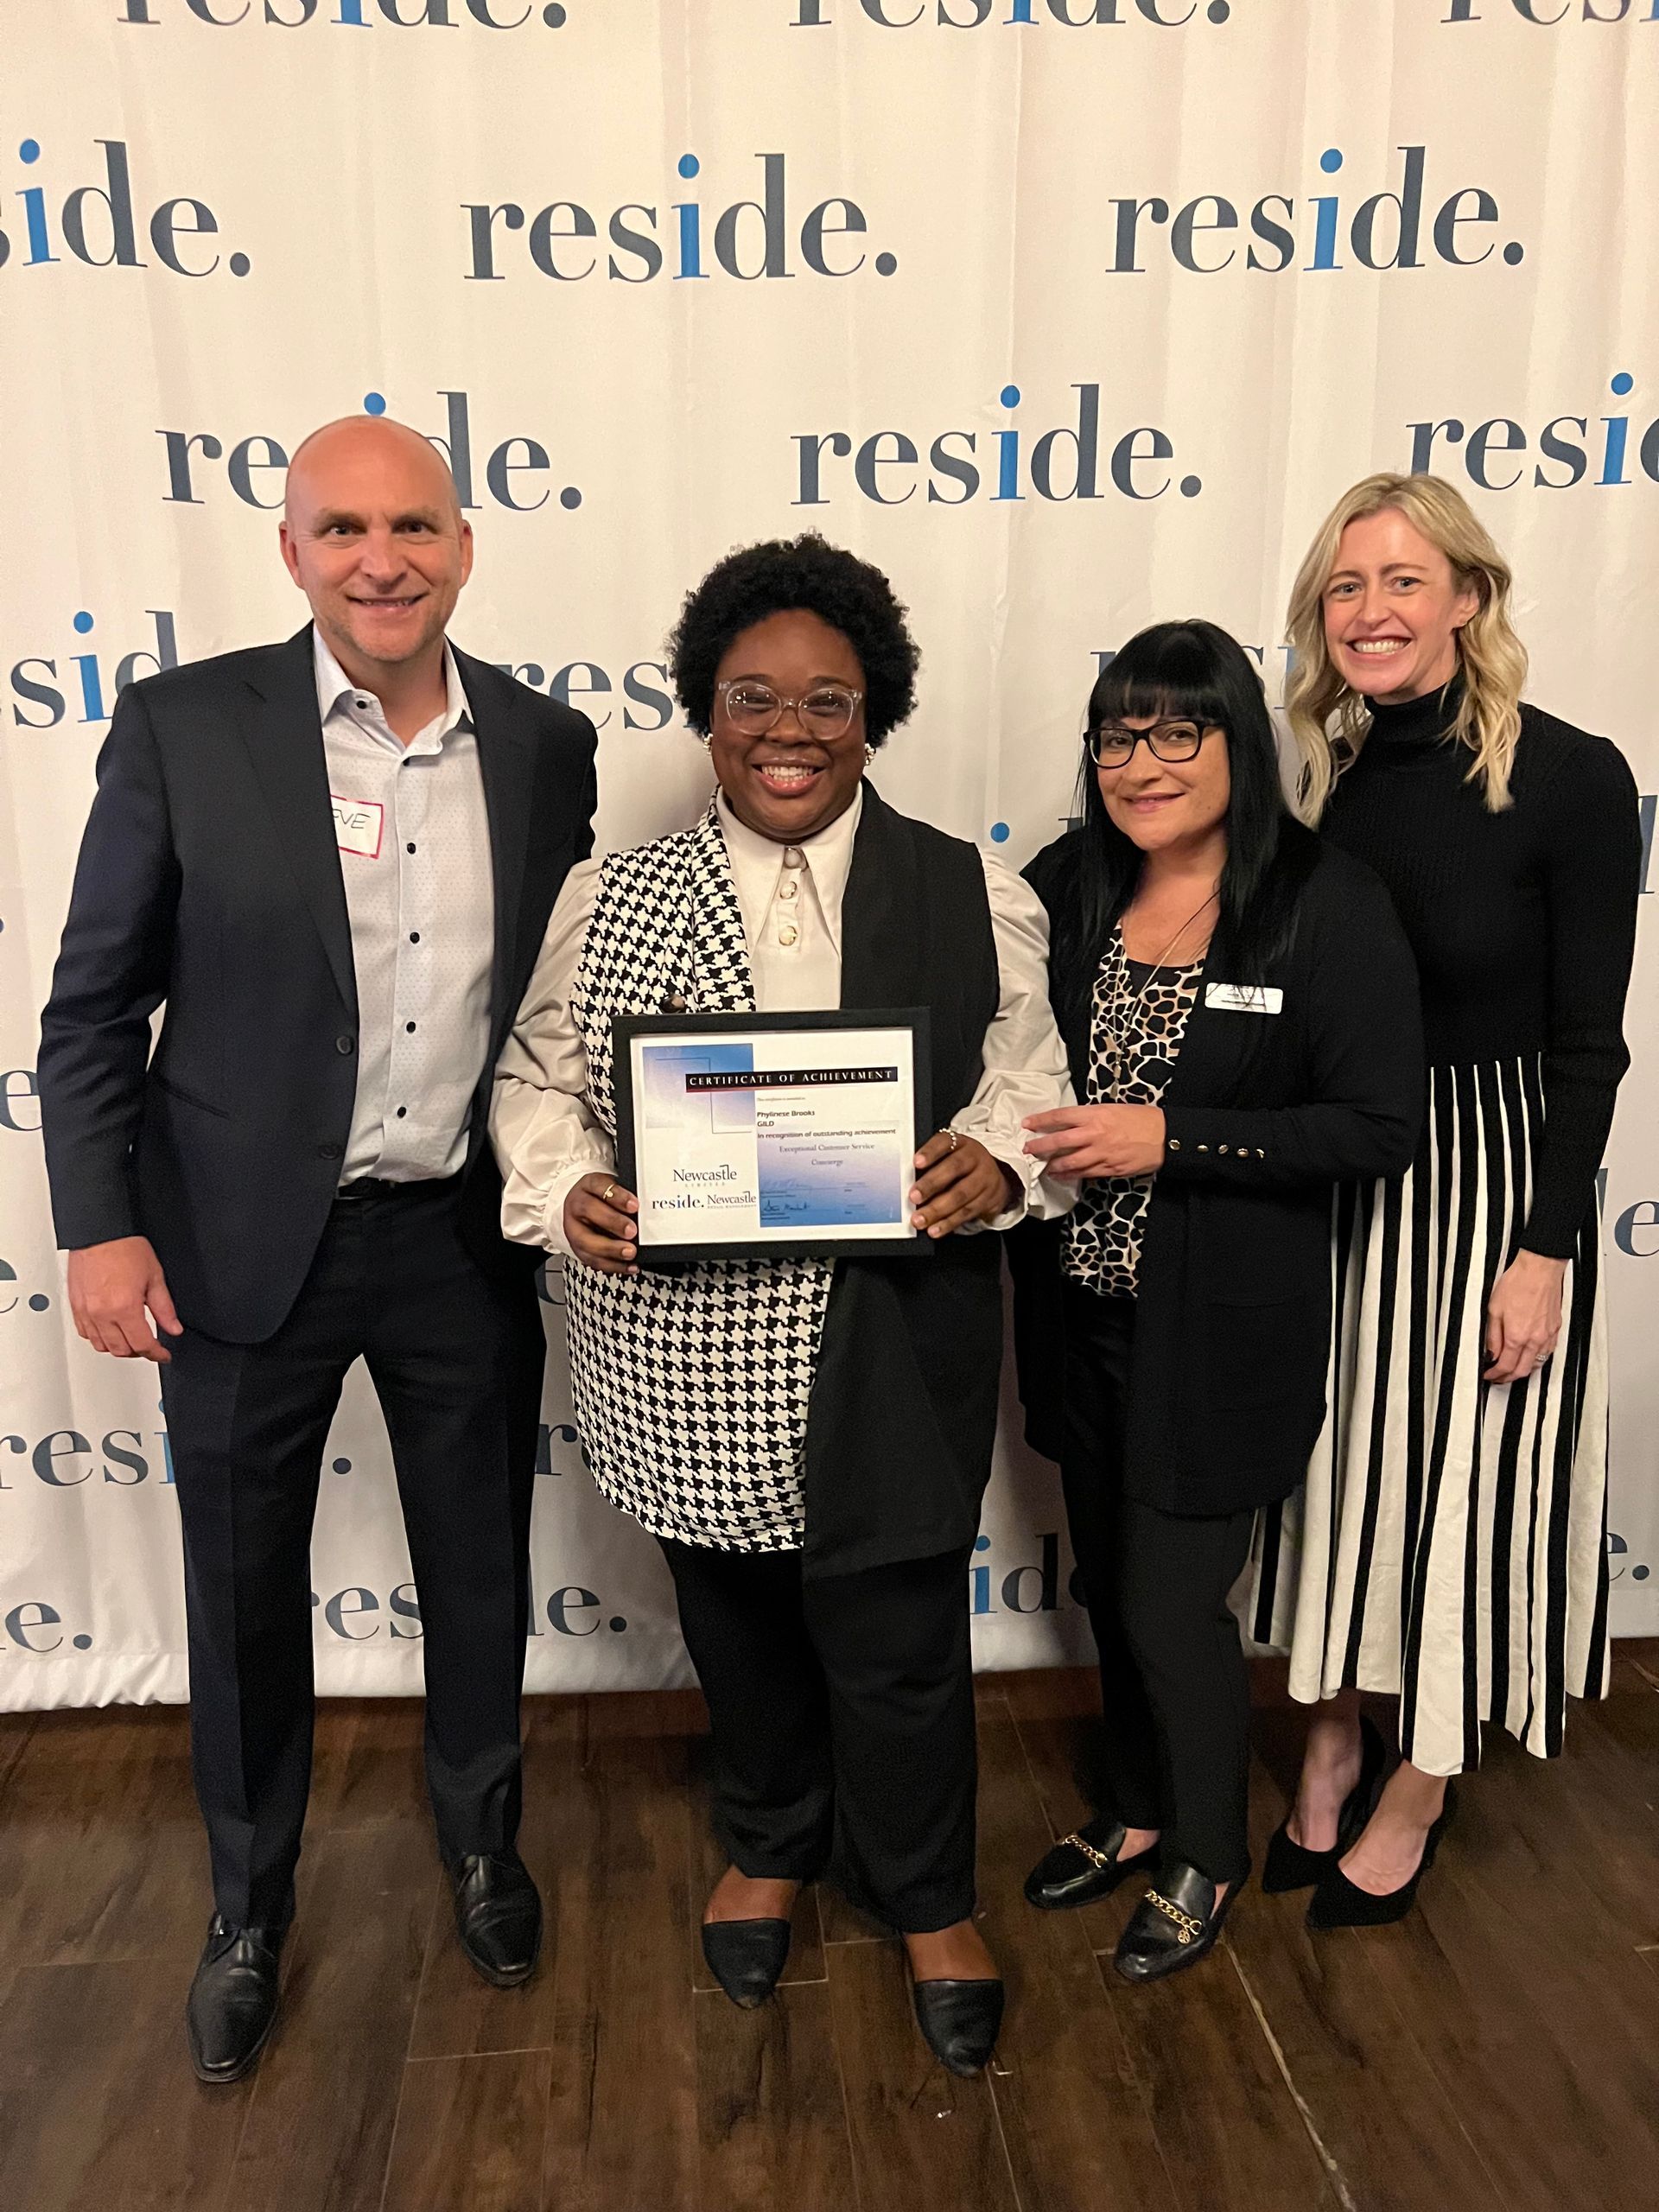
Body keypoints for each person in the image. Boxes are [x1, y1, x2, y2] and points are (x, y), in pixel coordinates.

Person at [36, 416, 598, 2083]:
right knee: (236, 1590)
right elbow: (90, 1010)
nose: (381, 559)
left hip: (458, 1242)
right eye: (342, 529)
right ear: (291, 552)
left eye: (413, 525)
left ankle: (484, 1844)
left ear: (465, 545)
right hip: (230, 1245)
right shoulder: (185, 726)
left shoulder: (548, 744)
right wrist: (100, 1226)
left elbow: (557, 1016)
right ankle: (245, 1906)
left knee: (482, 1562)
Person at [492, 534, 1072, 2075]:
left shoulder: (971, 887)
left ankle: (926, 1893)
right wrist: (565, 1193)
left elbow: (1033, 1090)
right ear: (705, 710)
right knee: (737, 1618)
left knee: (894, 1634)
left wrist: (996, 1170)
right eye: (753, 695)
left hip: (893, 1329)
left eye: (829, 697)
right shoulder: (611, 893)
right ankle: (770, 1840)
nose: (790, 727)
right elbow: (540, 1082)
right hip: (682, 1338)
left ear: (875, 710)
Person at [1246, 473, 1643, 1928]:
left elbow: (1591, 1044)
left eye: (1405, 582)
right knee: (1349, 1479)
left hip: (1497, 1181)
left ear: (1469, 600)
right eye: (1348, 588)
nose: (1372, 612)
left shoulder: (1575, 774)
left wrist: (1546, 1248)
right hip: (1356, 1171)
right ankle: (1338, 1727)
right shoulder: (1323, 780)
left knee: (1471, 1491)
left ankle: (1423, 1778)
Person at [1013, 620, 1421, 1981]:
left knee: (1177, 1604)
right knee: (1112, 1586)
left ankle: (1205, 1849)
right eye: (1119, 732)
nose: (1143, 760)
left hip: (1222, 1331)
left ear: (1239, 741)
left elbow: (1372, 1127)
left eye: (1177, 729)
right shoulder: (1064, 884)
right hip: (1077, 1310)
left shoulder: (1321, 899)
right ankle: (1134, 1810)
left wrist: (1171, 1138)